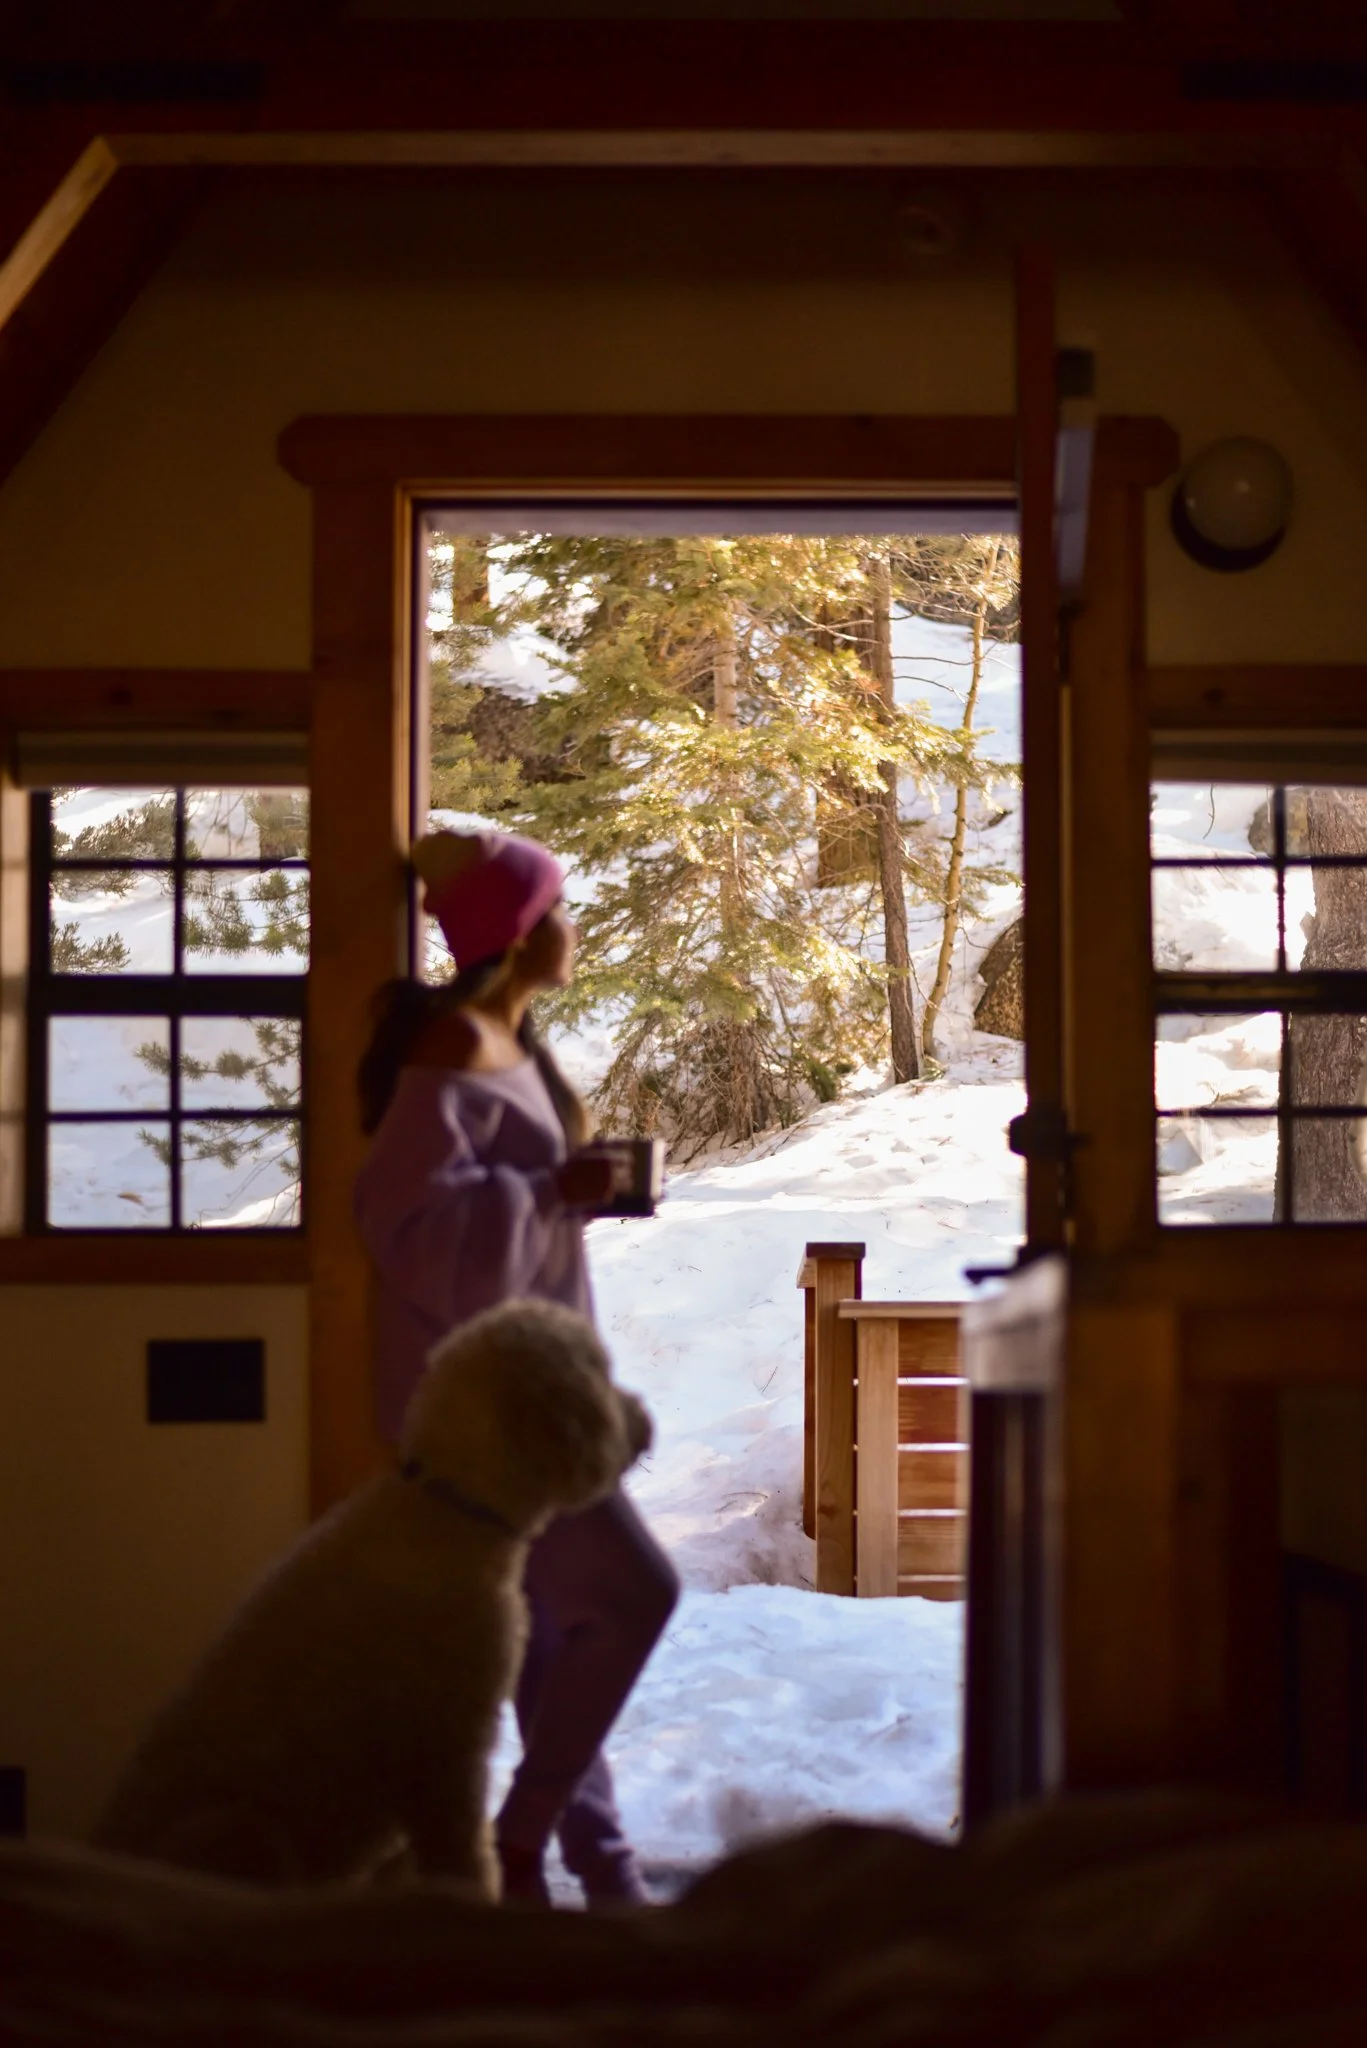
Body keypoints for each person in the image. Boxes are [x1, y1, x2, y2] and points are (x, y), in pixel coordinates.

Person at [353, 828, 679, 1908]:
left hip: (525, 1380)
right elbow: (402, 1223)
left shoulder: (509, 1046)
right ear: (519, 932)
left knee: (548, 1636)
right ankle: (528, 1836)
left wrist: (571, 1189)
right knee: (635, 1593)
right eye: (557, 910)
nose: (572, 928)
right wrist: (549, 1192)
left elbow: (497, 1194)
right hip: (483, 1402)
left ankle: (588, 1864)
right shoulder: (452, 1045)